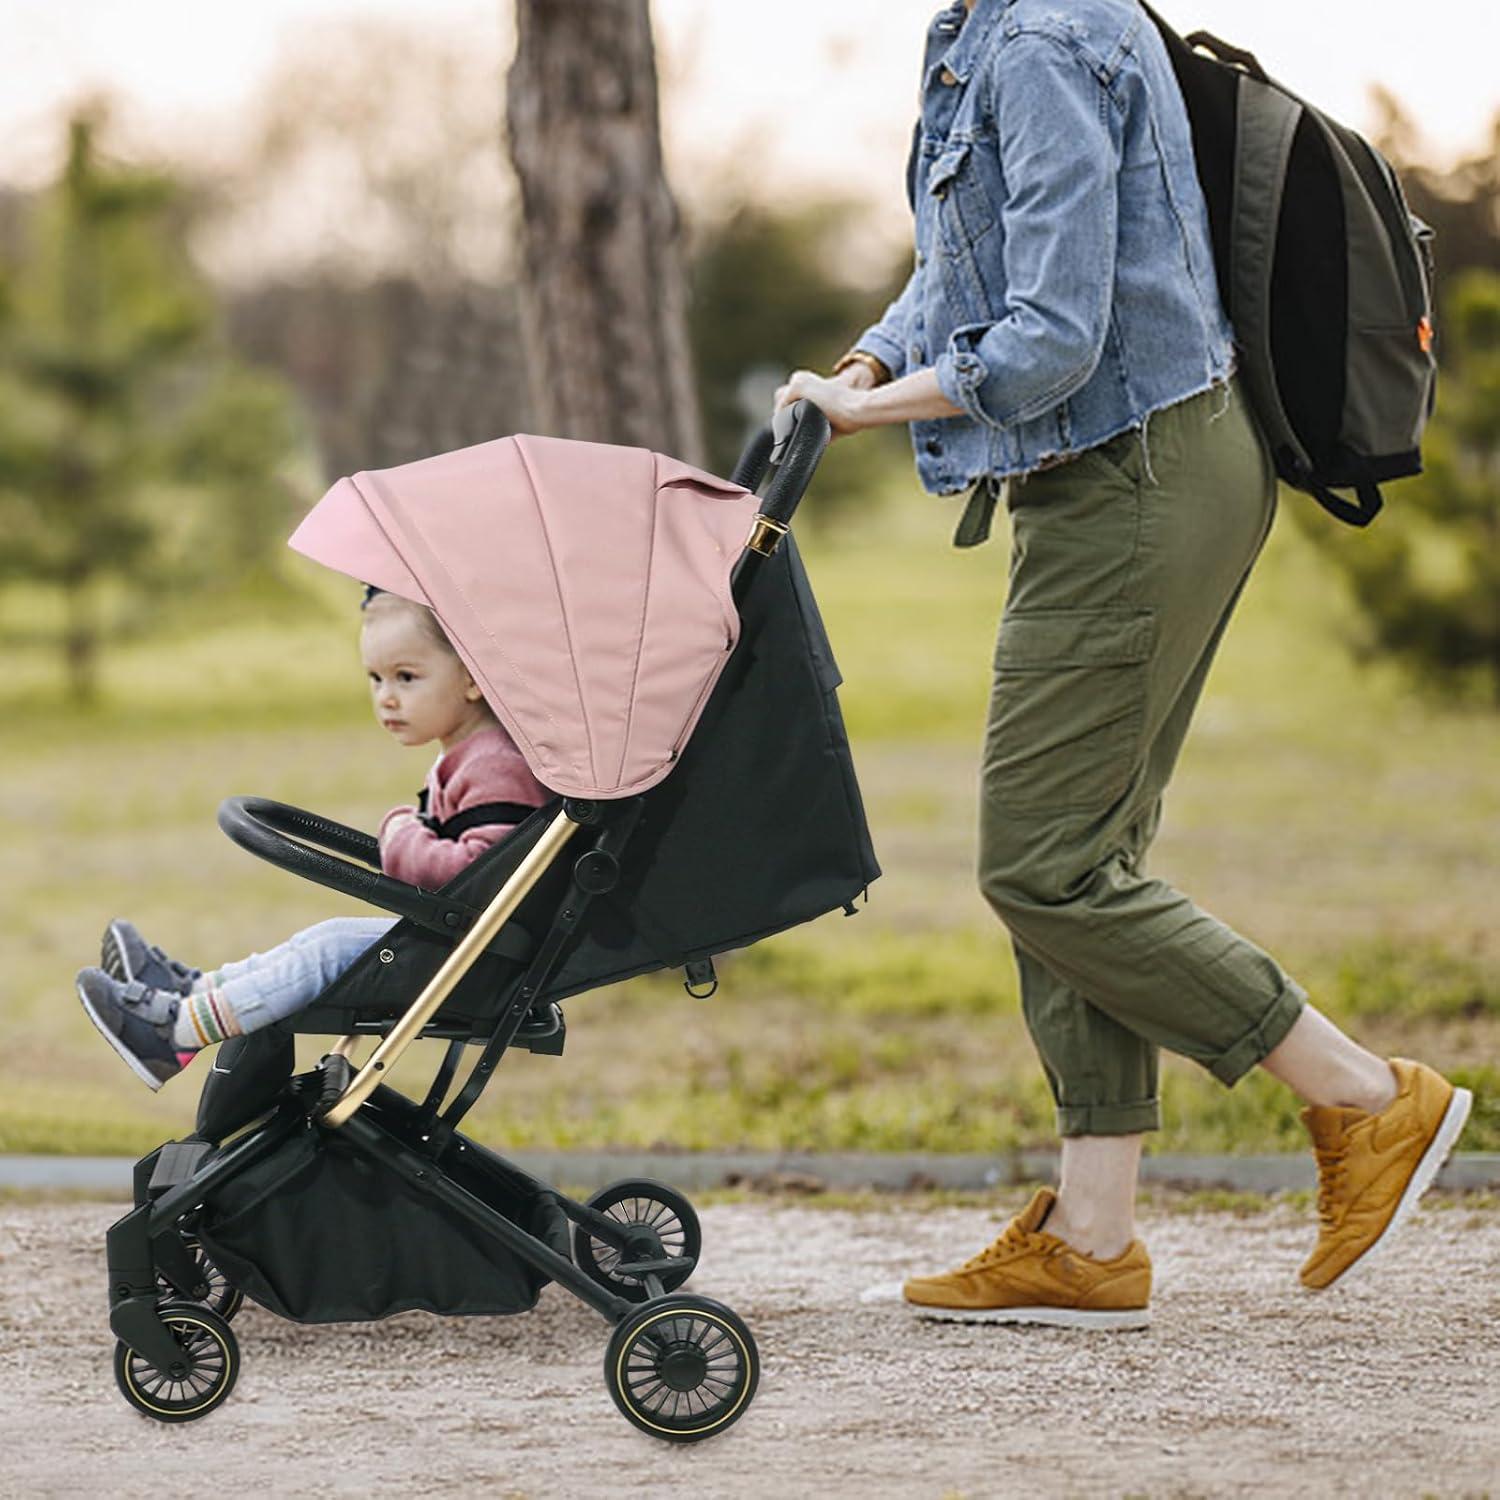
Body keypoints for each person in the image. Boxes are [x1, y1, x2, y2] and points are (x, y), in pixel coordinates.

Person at [775, 0, 1470, 1323]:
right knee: (1078, 857)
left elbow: (1049, 337)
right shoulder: (991, 28)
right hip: (1125, 476)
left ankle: (1368, 1100)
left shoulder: (1039, 40)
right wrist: (867, 354)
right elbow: (972, 268)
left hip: (1135, 478)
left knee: (1040, 866)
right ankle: (1090, 1242)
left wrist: (872, 409)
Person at [76, 587, 548, 1091]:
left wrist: (400, 833)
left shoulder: (495, 764)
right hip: (465, 947)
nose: (385, 696)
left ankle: (176, 1033)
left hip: (481, 962)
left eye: (406, 677)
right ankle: (194, 991)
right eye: (376, 678)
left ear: (473, 678)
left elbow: (481, 875)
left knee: (329, 949)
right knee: (325, 938)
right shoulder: (471, 755)